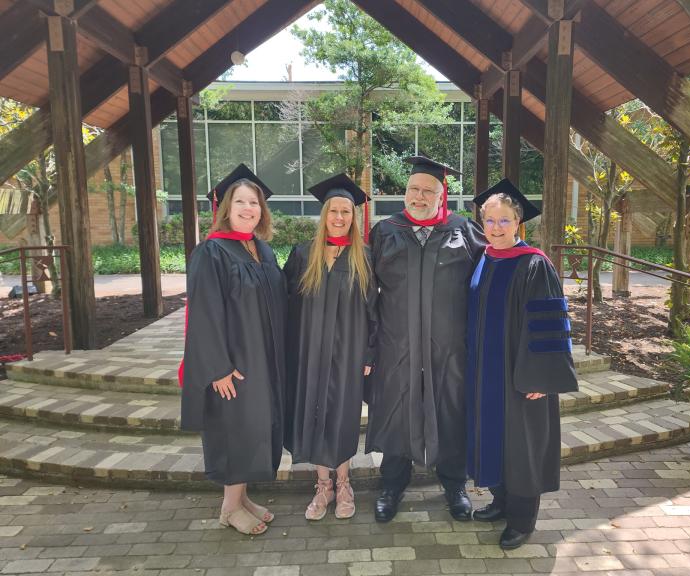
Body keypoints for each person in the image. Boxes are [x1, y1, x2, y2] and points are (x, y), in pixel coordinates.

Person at [365, 156, 486, 522]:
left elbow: (486, 288)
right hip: (397, 345)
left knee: (449, 411)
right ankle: (392, 484)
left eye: (427, 191)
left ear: (441, 194)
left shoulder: (464, 230)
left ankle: (454, 485)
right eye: (413, 189)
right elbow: (368, 294)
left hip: (449, 349)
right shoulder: (385, 231)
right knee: (397, 411)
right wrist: (370, 346)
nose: (419, 197)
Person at [466, 178, 578, 549]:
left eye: (504, 221)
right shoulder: (484, 259)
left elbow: (549, 324)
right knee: (495, 439)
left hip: (521, 377)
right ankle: (501, 501)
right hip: (486, 374)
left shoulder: (534, 265)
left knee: (522, 446)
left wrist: (543, 378)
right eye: (490, 221)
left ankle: (523, 518)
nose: (496, 229)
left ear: (519, 225)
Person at [179, 164, 287, 536]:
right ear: (226, 207)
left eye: (253, 203)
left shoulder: (262, 250)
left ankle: (241, 498)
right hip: (235, 364)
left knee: (256, 428)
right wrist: (218, 367)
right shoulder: (212, 253)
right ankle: (229, 508)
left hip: (264, 360)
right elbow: (205, 314)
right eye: (240, 202)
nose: (247, 208)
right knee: (236, 430)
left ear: (262, 210)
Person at [283, 174, 377, 521]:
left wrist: (369, 353)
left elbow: (373, 311)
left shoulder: (363, 256)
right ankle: (323, 486)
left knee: (342, 417)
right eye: (333, 211)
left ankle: (344, 483)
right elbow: (285, 306)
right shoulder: (302, 254)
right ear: (324, 215)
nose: (339, 217)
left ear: (354, 217)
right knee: (315, 414)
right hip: (309, 355)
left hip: (348, 355)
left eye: (346, 212)